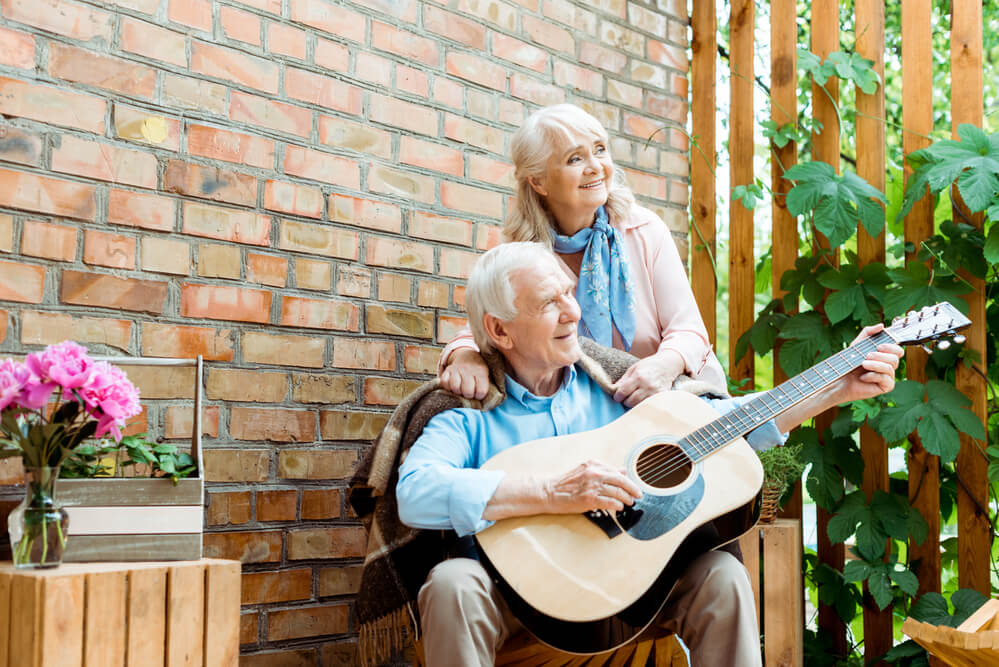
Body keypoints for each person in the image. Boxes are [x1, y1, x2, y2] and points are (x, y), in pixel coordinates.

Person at [397, 243, 904, 667]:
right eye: (549, 303)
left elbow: (725, 423)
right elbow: (414, 492)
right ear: (500, 330)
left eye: (570, 293)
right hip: (520, 595)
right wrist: (551, 493)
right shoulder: (467, 414)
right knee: (451, 585)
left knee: (722, 577)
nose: (573, 312)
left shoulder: (618, 389)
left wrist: (835, 388)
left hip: (634, 585)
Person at [438, 103, 725, 409]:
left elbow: (689, 331)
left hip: (676, 402)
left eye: (600, 150)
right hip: (592, 416)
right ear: (538, 181)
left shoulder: (644, 230)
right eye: (575, 158)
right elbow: (491, 325)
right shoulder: (518, 254)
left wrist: (664, 366)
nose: (596, 167)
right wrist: (465, 355)